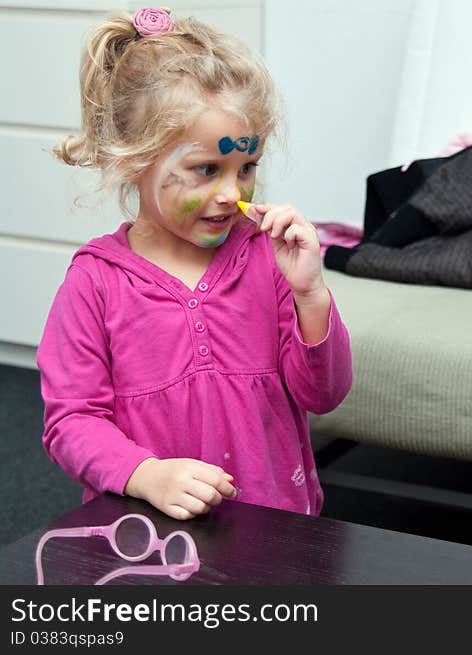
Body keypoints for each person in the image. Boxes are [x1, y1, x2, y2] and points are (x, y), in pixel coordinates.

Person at [38, 7, 352, 521]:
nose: (233, 194)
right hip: (149, 537)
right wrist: (146, 474)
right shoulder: (94, 282)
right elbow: (71, 422)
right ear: (133, 161)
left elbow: (324, 394)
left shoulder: (266, 260)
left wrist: (311, 295)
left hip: (276, 530)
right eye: (206, 169)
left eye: (246, 167)